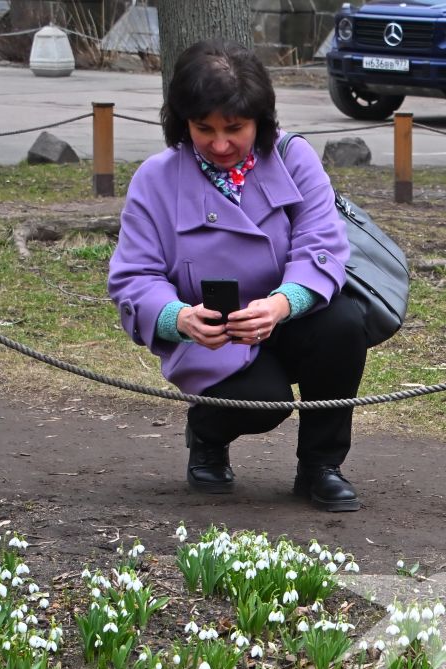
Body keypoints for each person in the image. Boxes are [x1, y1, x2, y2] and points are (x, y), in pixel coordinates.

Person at [110, 40, 366, 512]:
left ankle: (320, 467)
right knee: (263, 402)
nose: (221, 144)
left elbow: (322, 246)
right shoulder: (155, 179)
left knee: (344, 323)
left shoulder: (294, 157)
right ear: (181, 122)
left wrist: (281, 304)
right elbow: (134, 276)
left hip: (286, 313)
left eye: (235, 128)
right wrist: (179, 318)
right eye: (203, 128)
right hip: (215, 335)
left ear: (260, 122)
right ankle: (207, 434)